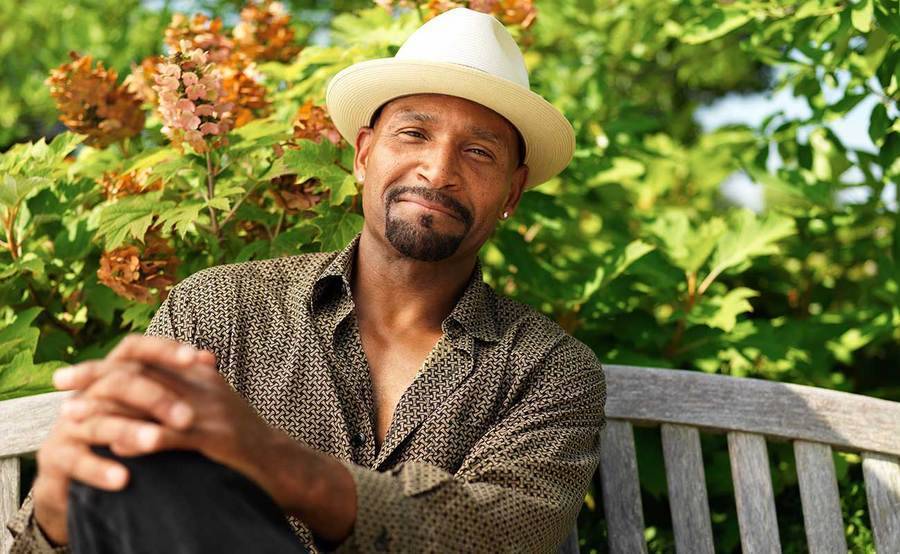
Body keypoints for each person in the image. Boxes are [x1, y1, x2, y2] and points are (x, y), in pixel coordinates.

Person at [7, 7, 606, 553]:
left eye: (479, 152)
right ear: (364, 153)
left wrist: (276, 463)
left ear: (512, 192)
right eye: (414, 134)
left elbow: (500, 536)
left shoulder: (550, 369)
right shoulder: (218, 310)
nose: (438, 170)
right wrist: (63, 509)